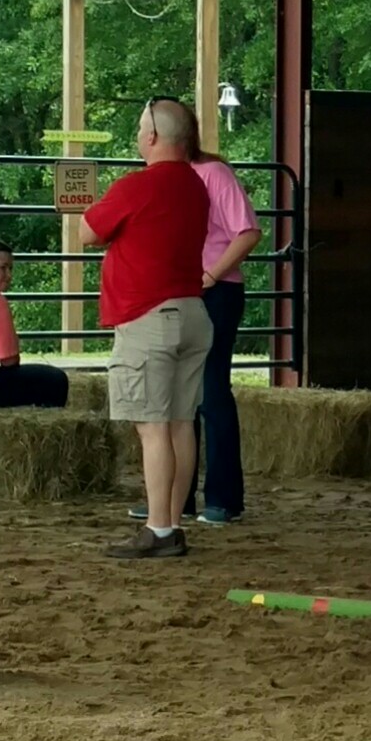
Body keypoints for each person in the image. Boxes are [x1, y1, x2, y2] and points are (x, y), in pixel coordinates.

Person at [80, 98, 213, 559]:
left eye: (140, 128)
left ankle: (157, 529)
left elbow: (88, 232)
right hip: (192, 311)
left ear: (153, 136)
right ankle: (173, 522)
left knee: (152, 428)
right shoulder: (197, 187)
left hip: (147, 317)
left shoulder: (136, 186)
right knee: (181, 423)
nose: (138, 135)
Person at [128, 105, 261, 526]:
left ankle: (222, 497)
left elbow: (248, 231)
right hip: (183, 290)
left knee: (210, 391)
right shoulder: (171, 180)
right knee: (179, 397)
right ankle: (173, 500)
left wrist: (211, 274)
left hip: (214, 289)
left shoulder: (213, 175)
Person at [0, 240, 69, 408]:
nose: (9, 275)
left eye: (11, 269)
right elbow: (8, 360)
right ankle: (47, 429)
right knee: (56, 380)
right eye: (3, 268)